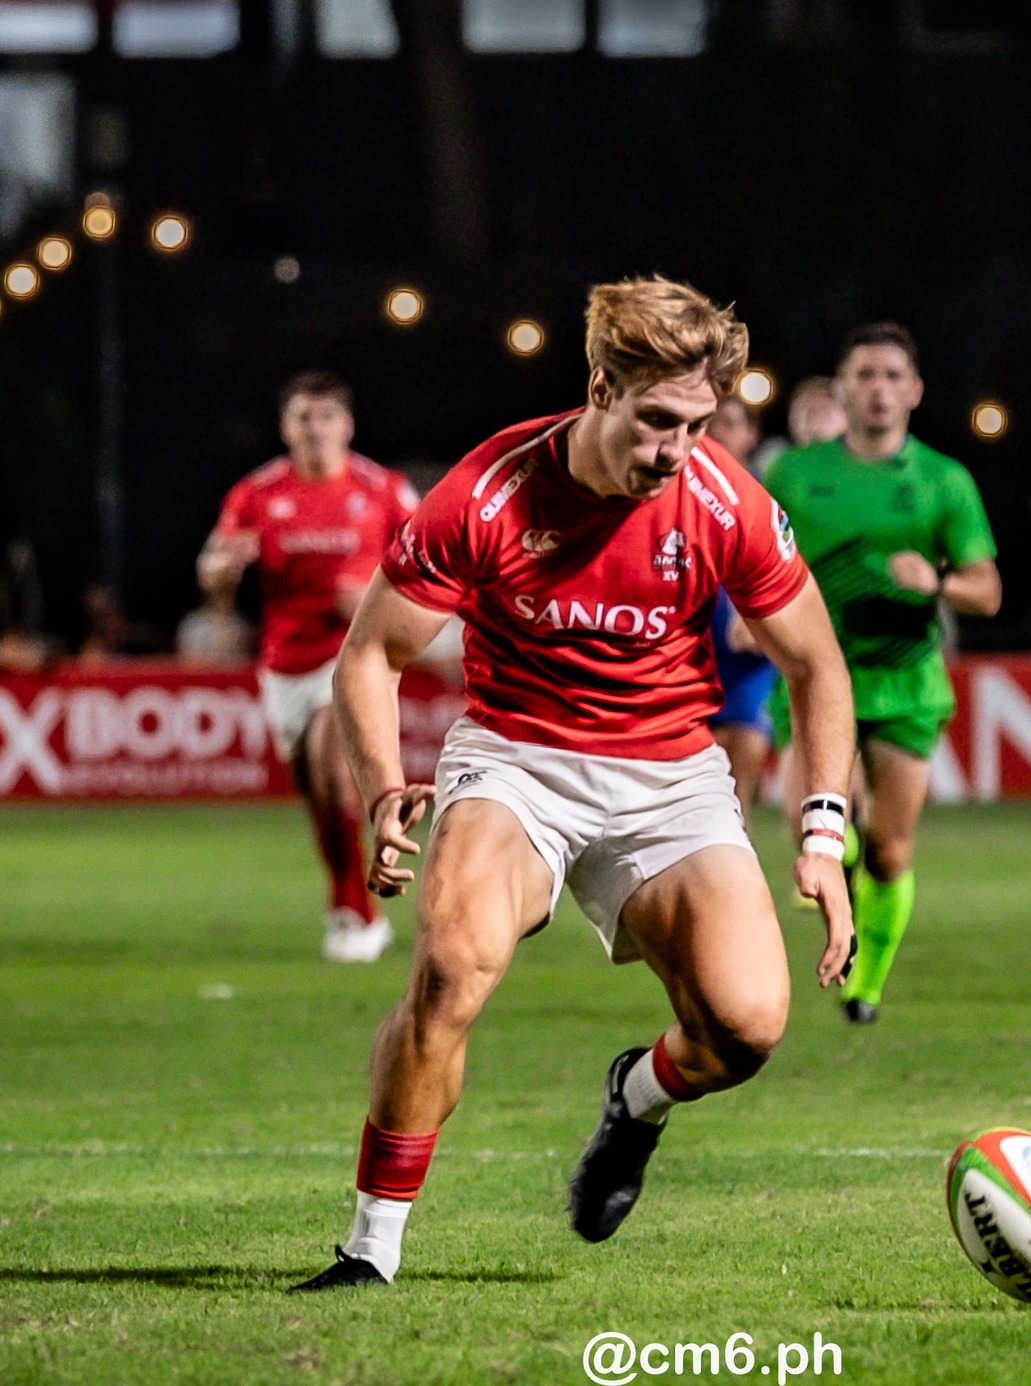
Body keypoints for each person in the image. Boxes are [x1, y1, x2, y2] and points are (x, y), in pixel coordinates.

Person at [291, 277, 854, 1291]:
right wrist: (384, 790)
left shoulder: (723, 499)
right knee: (451, 966)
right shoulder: (488, 492)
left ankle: (634, 1100)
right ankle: (370, 1249)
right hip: (517, 762)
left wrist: (820, 835)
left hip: (672, 776)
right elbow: (368, 655)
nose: (674, 451)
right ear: (599, 385)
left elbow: (816, 665)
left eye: (695, 425)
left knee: (747, 1027)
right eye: (654, 423)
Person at [763, 322, 1000, 1026]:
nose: (879, 388)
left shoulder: (943, 480)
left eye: (893, 376)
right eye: (865, 374)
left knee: (891, 853)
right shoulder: (796, 476)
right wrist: (753, 619)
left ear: (916, 391)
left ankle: (865, 985)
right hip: (813, 677)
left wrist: (939, 581)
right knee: (809, 825)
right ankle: (842, 869)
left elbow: (987, 591)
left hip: (905, 684)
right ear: (842, 388)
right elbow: (756, 564)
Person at [198, 372, 419, 963]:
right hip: (283, 664)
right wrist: (223, 571)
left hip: (352, 657)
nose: (316, 428)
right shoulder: (257, 493)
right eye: (304, 417)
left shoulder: (384, 490)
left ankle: (357, 914)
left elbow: (428, 574)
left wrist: (378, 600)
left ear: (346, 425)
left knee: (332, 763)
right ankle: (346, 899)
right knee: (317, 796)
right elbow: (212, 570)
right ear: (286, 427)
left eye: (326, 417)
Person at [704, 397, 776, 811]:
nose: (718, 432)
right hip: (691, 659)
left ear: (752, 434)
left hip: (750, 666)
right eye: (710, 422)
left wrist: (760, 616)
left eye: (730, 423)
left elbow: (793, 568)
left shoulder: (768, 495)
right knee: (699, 800)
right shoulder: (670, 489)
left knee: (734, 793)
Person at [175, 586, 256, 668]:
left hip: (233, 677)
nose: (224, 600)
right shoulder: (193, 625)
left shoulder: (241, 626)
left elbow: (246, 661)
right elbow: (187, 662)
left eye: (228, 595)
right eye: (220, 595)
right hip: (203, 677)